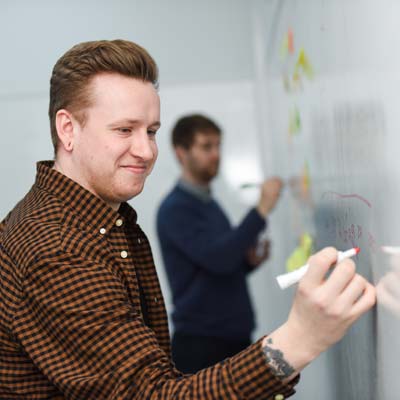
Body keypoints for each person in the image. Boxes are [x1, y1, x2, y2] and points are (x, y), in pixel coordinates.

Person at [0, 39, 376, 400]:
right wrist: (300, 339)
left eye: (151, 131)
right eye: (124, 130)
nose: (146, 150)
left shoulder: (91, 222)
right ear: (68, 129)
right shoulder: (57, 249)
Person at [156, 114, 284, 373]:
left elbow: (217, 264)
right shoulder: (175, 209)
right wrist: (260, 210)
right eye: (206, 146)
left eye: (218, 146)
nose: (216, 154)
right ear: (181, 153)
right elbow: (220, 259)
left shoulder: (208, 203)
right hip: (202, 346)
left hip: (228, 339)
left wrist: (248, 262)